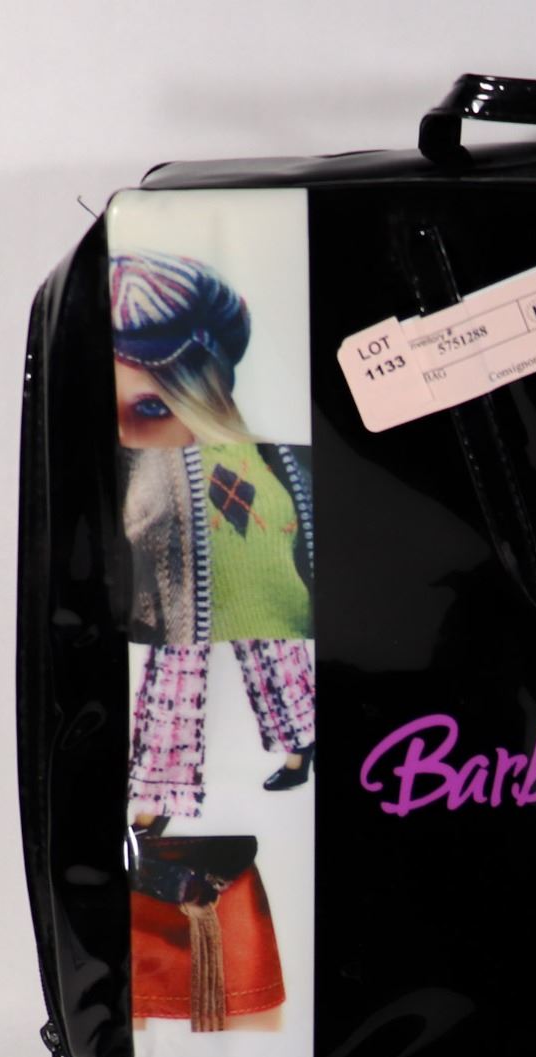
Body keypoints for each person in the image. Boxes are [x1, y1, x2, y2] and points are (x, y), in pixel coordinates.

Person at [109, 250, 316, 817]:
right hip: (179, 591)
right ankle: (156, 799)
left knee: (273, 655)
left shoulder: (264, 456)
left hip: (254, 574)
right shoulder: (144, 464)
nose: (128, 431)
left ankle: (300, 748)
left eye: (153, 406)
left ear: (199, 391)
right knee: (174, 678)